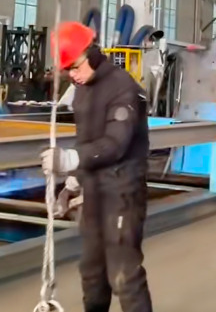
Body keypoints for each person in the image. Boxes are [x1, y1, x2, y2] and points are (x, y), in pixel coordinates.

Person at [41, 21, 152, 312]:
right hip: (94, 190)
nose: (72, 74)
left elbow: (115, 143)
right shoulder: (82, 89)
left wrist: (68, 159)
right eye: (67, 70)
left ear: (92, 54)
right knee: (92, 274)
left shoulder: (123, 87)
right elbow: (87, 140)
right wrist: (73, 183)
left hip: (122, 191)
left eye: (75, 67)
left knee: (123, 274)